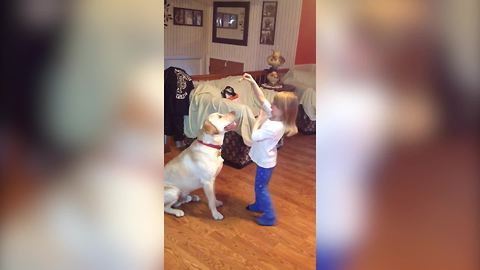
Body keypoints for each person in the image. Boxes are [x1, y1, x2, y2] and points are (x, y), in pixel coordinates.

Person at [241, 73, 299, 226]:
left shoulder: (275, 126)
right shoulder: (274, 115)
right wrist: (253, 82)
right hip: (264, 160)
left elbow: (254, 136)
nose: (271, 105)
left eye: (275, 105)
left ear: (283, 111)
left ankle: (269, 217)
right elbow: (261, 99)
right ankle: (259, 205)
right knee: (258, 186)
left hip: (266, 163)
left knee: (262, 189)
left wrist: (258, 120)